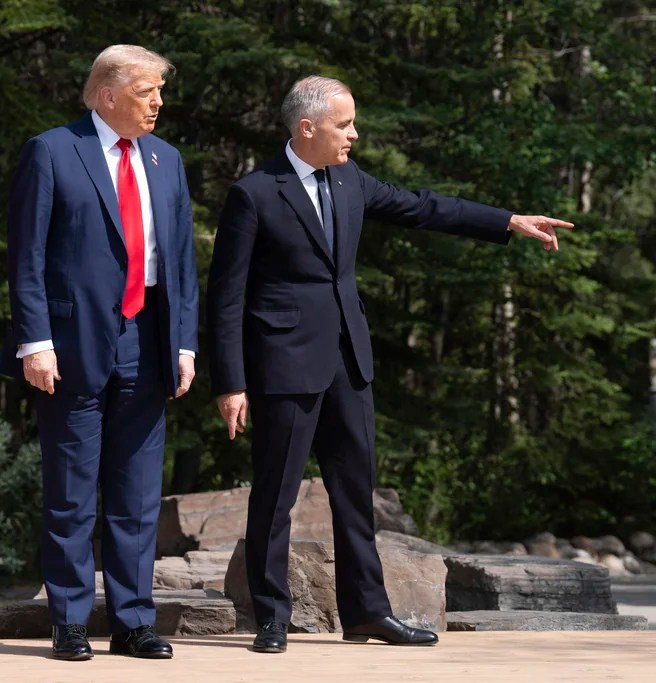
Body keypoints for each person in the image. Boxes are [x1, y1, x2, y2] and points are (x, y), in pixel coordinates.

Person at [206, 75, 573, 652]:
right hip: (282, 366)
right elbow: (226, 297)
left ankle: (368, 614)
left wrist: (505, 220)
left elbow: (422, 207)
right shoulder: (255, 193)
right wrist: (230, 382)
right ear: (307, 128)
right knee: (274, 495)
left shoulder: (349, 179)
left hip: (349, 362)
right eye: (344, 124)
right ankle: (272, 618)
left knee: (356, 493)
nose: (355, 134)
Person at [0, 45, 199, 661]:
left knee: (137, 495)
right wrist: (35, 341)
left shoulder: (167, 159)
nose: (159, 101)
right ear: (108, 94)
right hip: (69, 344)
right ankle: (70, 621)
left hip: (149, 339)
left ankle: (134, 622)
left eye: (161, 90)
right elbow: (25, 256)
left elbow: (181, 264)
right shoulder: (53, 150)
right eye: (148, 90)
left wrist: (185, 343)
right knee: (71, 492)